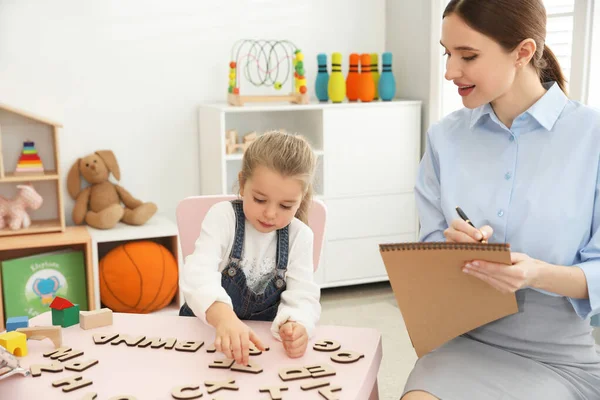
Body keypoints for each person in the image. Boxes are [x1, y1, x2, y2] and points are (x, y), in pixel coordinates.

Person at [403, 1, 600, 399]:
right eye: (447, 52)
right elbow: (426, 251)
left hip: (558, 359)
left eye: (468, 55)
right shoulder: (444, 138)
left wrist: (536, 273)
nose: (449, 71)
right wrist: (448, 250)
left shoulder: (591, 138)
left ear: (523, 52)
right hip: (461, 342)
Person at [179, 130, 321, 366]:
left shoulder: (300, 236)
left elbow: (303, 295)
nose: (270, 213)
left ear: (301, 197)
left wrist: (297, 324)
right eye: (260, 200)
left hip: (260, 347)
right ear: (243, 183)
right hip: (202, 335)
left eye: (286, 205)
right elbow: (197, 274)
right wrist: (224, 318)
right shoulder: (223, 217)